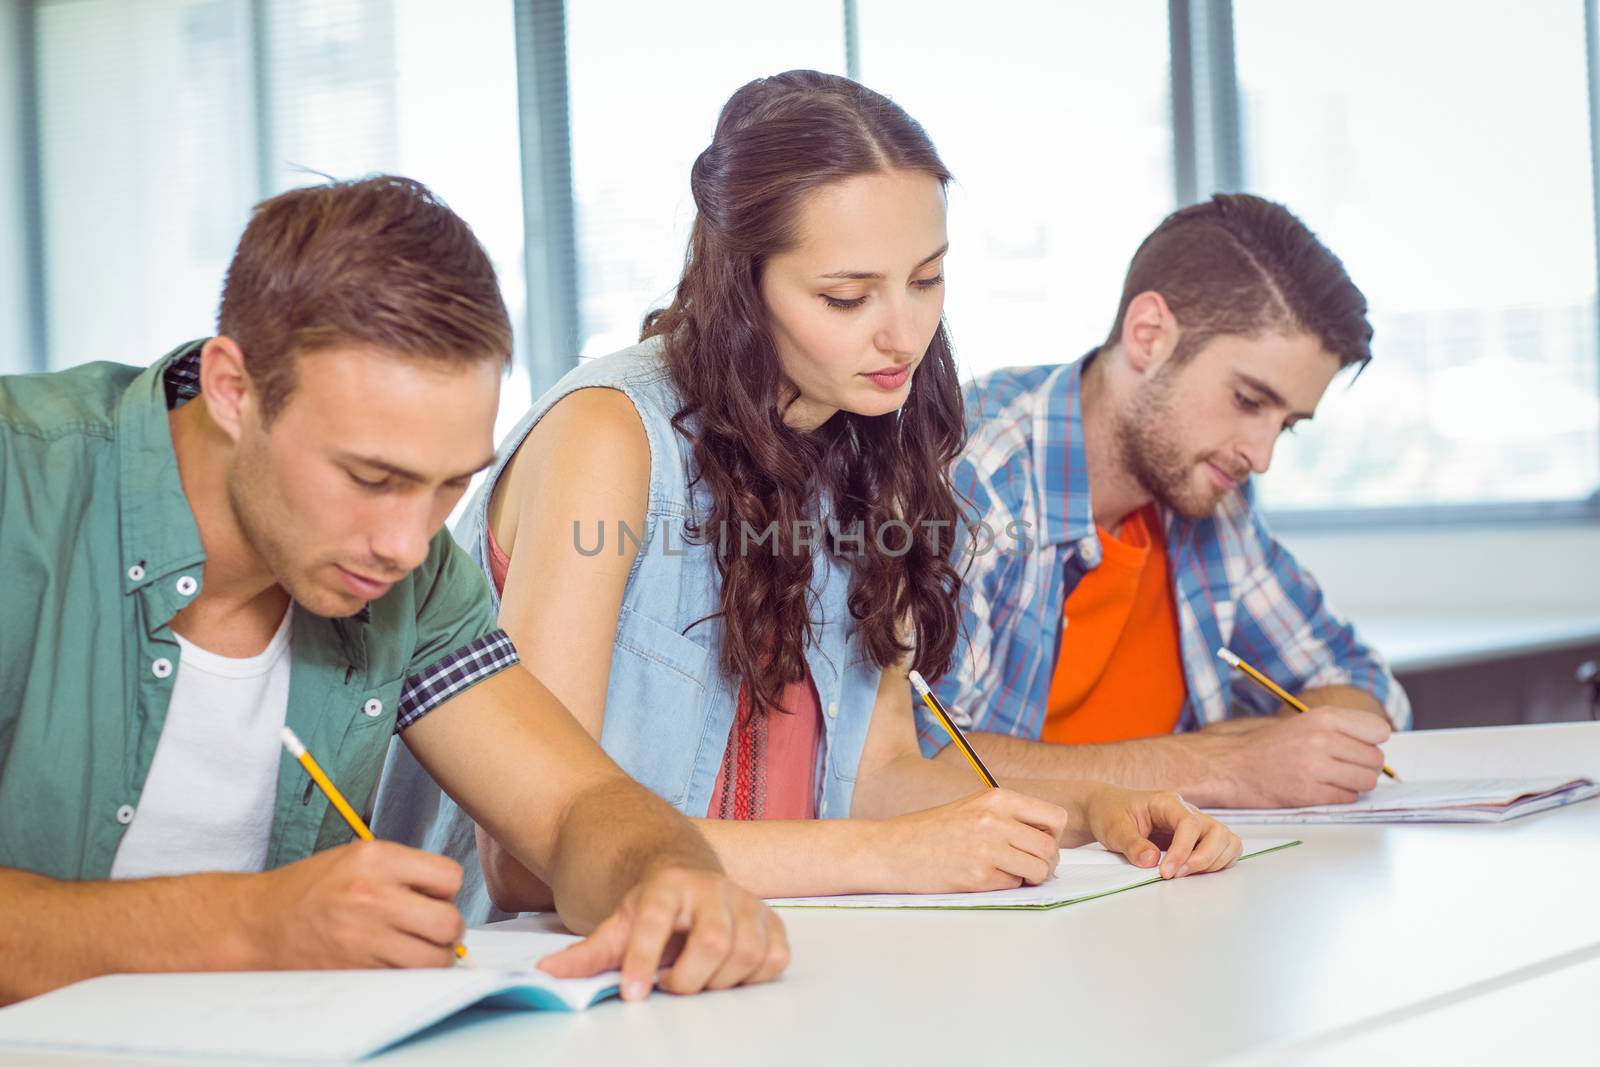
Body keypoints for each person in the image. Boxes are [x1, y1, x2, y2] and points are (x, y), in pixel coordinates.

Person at [376, 72, 1240, 922]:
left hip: (762, 950)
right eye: (846, 296)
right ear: (742, 286)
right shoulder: (608, 440)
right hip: (543, 981)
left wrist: (1088, 808)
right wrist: (888, 856)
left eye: (927, 280)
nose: (903, 334)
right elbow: (530, 865)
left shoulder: (874, 441)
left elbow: (878, 775)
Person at [0, 175, 785, 1006]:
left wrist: (670, 878)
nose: (409, 544)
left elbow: (571, 809)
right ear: (233, 389)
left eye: (449, 485)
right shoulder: (23, 486)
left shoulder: (410, 578)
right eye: (372, 477)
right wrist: (254, 927)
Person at [929, 193, 1410, 809]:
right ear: (1149, 335)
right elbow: (913, 766)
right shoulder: (975, 481)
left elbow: (1360, 681)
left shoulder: (1211, 488)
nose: (1261, 455)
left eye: (1286, 424)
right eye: (1247, 400)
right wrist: (1223, 763)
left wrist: (1273, 749)